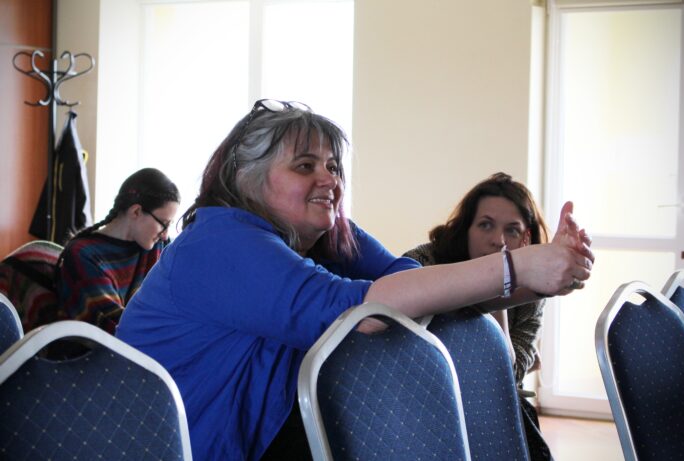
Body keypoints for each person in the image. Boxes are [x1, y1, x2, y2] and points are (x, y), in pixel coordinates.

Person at [115, 99, 593, 461]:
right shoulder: (220, 241)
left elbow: (403, 277)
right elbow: (364, 311)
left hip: (270, 432)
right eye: (305, 166)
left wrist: (534, 277)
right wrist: (518, 268)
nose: (330, 180)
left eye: (333, 166)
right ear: (248, 176)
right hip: (192, 446)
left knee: (442, 334)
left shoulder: (324, 233)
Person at [403, 172, 559, 460]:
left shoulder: (532, 289)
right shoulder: (423, 261)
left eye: (512, 230)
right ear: (466, 229)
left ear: (526, 239)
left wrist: (498, 289)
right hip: (422, 405)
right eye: (485, 225)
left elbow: (507, 377)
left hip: (494, 407)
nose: (497, 240)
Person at [56, 167, 180, 334]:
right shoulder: (83, 254)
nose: (165, 235)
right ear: (136, 211)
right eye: (163, 223)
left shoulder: (158, 246)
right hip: (100, 354)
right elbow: (115, 327)